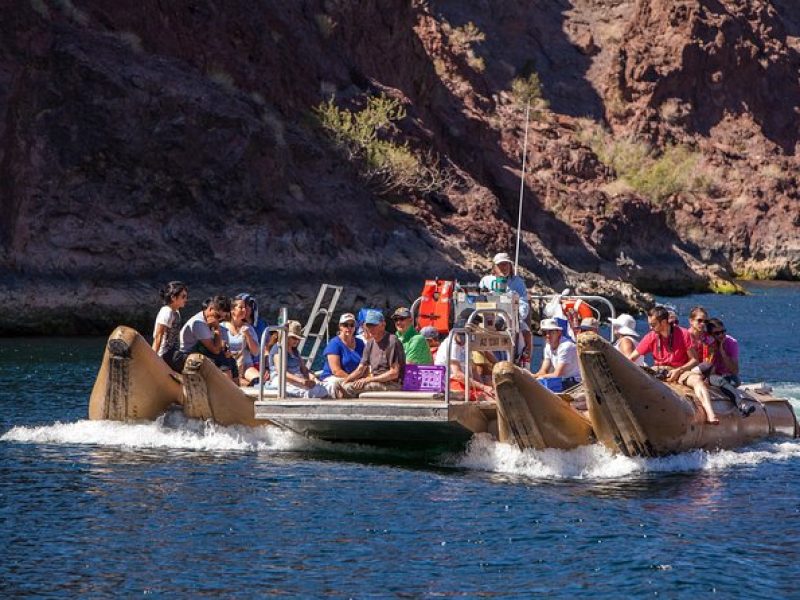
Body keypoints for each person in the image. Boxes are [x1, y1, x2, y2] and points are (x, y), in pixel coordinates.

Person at [628, 306, 719, 424]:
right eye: (650, 324)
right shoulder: (650, 336)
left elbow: (694, 360)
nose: (650, 327)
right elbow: (632, 358)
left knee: (697, 380)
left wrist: (679, 370)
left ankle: (710, 413)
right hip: (658, 370)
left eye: (653, 324)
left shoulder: (683, 334)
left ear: (664, 322)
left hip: (680, 370)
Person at [479, 252, 532, 365]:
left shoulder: (518, 282)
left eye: (506, 264)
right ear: (494, 267)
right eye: (500, 265)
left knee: (526, 332)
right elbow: (479, 298)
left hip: (512, 317)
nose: (503, 267)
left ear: (510, 266)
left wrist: (518, 315)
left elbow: (523, 302)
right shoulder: (486, 280)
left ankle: (522, 360)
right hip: (490, 316)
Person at [340, 310, 405, 397]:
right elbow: (360, 369)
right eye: (368, 325)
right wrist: (345, 381)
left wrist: (369, 379)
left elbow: (394, 373)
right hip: (375, 381)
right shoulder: (370, 343)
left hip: (392, 384)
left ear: (383, 325)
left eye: (374, 325)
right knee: (340, 386)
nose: (370, 328)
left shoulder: (392, 341)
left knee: (349, 388)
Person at [171, 295, 238, 379]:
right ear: (210, 309)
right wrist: (217, 329)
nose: (219, 320)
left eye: (222, 318)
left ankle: (234, 389)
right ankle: (225, 388)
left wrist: (225, 349)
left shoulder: (211, 321)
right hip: (187, 355)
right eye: (218, 316)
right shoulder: (198, 323)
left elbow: (219, 346)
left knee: (231, 361)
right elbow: (215, 350)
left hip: (202, 351)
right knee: (222, 361)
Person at [434, 318, 496, 400]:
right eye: (462, 335)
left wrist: (483, 387)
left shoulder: (465, 345)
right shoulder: (451, 345)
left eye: (466, 335)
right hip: (449, 382)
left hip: (464, 381)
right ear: (455, 333)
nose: (464, 338)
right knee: (484, 397)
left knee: (491, 394)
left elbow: (473, 369)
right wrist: (483, 387)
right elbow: (458, 375)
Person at [267, 320, 328, 398]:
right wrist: (302, 381)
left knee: (323, 390)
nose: (297, 341)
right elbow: (282, 373)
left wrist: (313, 378)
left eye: (298, 338)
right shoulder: (278, 349)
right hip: (282, 380)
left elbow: (304, 369)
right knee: (312, 393)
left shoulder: (295, 351)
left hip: (297, 380)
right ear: (286, 336)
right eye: (294, 338)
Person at [319, 313, 365, 398]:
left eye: (352, 325)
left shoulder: (360, 343)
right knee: (339, 385)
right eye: (345, 325)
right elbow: (336, 371)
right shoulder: (334, 343)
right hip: (334, 377)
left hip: (354, 379)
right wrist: (352, 379)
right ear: (340, 326)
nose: (349, 328)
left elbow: (365, 364)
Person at [221, 297, 260, 386]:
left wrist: (247, 335)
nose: (244, 310)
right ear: (232, 310)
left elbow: (256, 352)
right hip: (229, 365)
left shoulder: (249, 328)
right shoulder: (222, 328)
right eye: (241, 307)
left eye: (245, 307)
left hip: (245, 365)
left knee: (257, 381)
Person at [532, 318, 581, 388]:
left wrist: (539, 377)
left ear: (559, 333)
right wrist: (530, 377)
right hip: (563, 380)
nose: (547, 335)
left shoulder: (566, 346)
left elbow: (557, 374)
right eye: (544, 333)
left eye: (551, 332)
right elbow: (543, 371)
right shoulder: (548, 346)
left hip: (575, 382)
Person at [152, 281, 188, 360]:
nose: (186, 299)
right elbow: (158, 336)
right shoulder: (166, 311)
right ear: (173, 297)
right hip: (164, 354)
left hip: (173, 353)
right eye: (183, 296)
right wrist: (153, 359)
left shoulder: (176, 312)